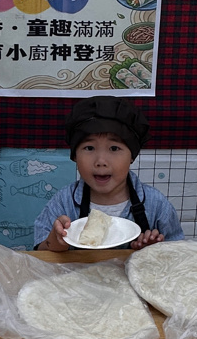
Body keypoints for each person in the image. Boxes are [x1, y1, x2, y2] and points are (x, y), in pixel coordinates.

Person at [34, 97, 184, 252]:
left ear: (132, 156)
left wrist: (152, 250)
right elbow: (41, 254)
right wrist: (56, 241)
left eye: (114, 148)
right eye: (89, 148)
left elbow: (178, 253)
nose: (101, 161)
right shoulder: (63, 202)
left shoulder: (156, 204)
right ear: (74, 156)